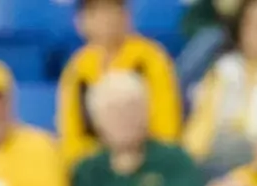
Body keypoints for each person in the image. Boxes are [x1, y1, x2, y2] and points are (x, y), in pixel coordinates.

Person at [69, 72, 206, 186]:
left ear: (147, 111)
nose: (124, 117)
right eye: (113, 110)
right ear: (96, 120)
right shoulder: (86, 171)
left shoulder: (175, 161)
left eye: (131, 106)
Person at [183, 0, 257, 176]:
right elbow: (201, 129)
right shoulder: (223, 70)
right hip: (221, 157)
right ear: (239, 30)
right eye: (252, 24)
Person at [57, 0, 185, 163]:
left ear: (127, 15)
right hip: (96, 165)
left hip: (146, 160)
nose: (106, 20)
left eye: (112, 10)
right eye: (95, 12)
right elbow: (71, 138)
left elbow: (166, 128)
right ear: (80, 21)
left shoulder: (150, 59)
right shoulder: (76, 70)